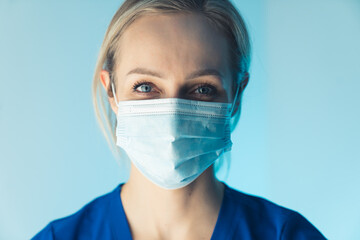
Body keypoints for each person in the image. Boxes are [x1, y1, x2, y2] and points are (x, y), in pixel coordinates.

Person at [32, 0, 326, 239]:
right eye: (145, 87)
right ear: (111, 91)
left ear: (236, 95)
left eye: (202, 89)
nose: (172, 117)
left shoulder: (286, 235)